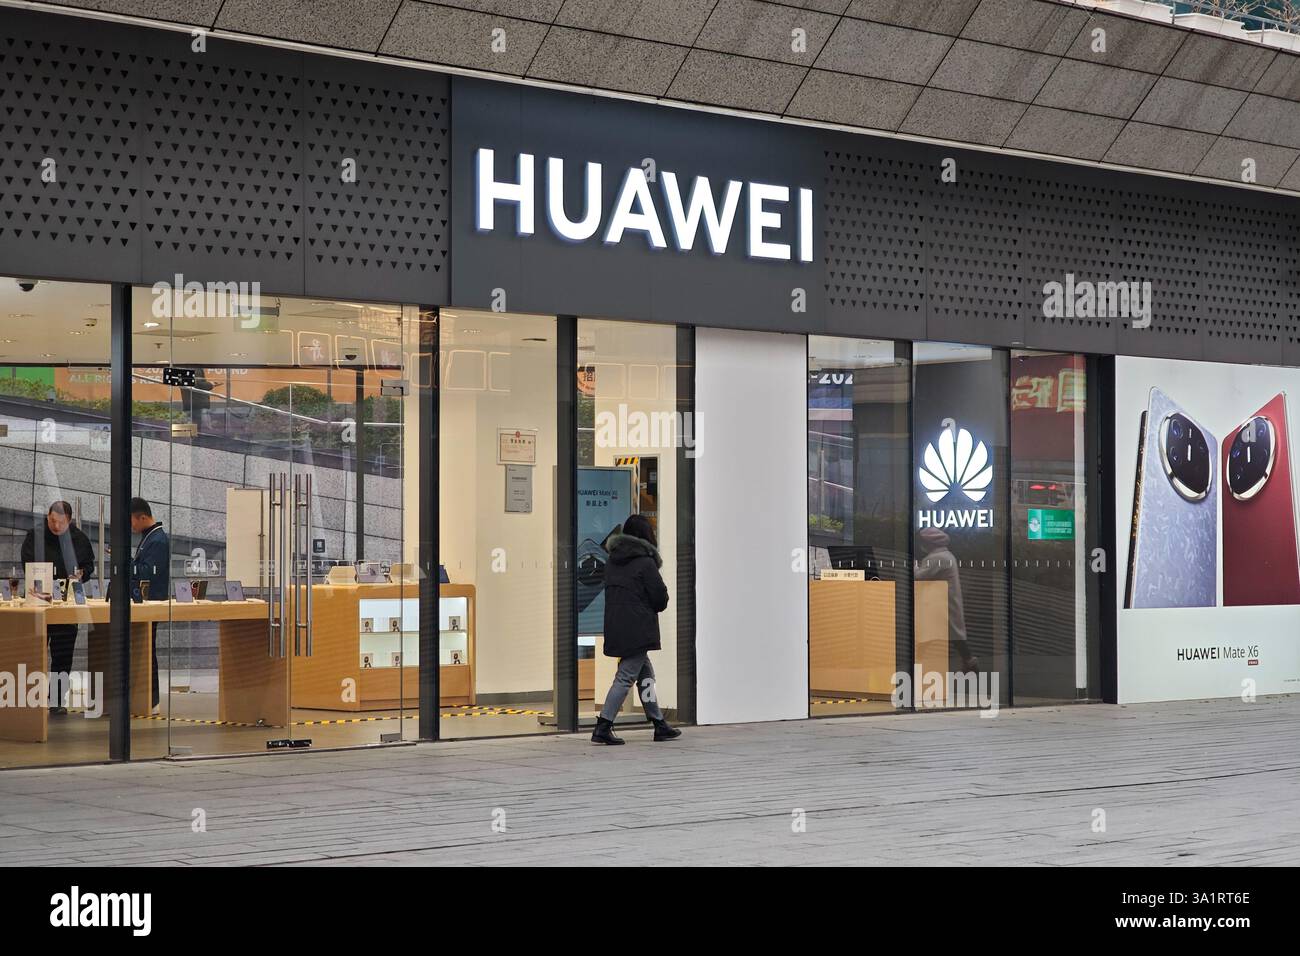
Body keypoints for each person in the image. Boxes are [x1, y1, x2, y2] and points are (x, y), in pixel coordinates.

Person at [591, 514, 680, 745]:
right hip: (638, 628)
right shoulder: (645, 563)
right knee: (625, 677)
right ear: (646, 536)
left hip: (616, 625)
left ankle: (659, 723)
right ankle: (603, 725)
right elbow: (660, 598)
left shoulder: (611, 561)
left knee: (645, 674)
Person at [20, 501, 95, 714]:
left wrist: (82, 573)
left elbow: (89, 565)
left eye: (60, 522)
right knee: (34, 651)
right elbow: (26, 560)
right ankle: (30, 697)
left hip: (66, 602)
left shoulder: (79, 538)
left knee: (62, 654)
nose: (55, 525)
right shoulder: (35, 535)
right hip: (38, 600)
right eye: (51, 520)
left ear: (69, 521)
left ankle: (56, 700)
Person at [915, 527, 979, 673]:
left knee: (931, 634)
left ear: (930, 543)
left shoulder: (938, 558)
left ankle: (918, 663)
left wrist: (913, 565)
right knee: (954, 634)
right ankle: (969, 662)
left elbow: (919, 576)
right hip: (944, 601)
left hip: (941, 603)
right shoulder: (947, 556)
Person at [129, 498, 169, 711]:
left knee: (147, 649)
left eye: (132, 522)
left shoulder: (158, 540)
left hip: (152, 601)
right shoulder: (150, 537)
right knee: (144, 648)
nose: (131, 527)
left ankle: (151, 699)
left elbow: (149, 572)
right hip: (144, 602)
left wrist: (129, 566)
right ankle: (144, 697)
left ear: (142, 517)